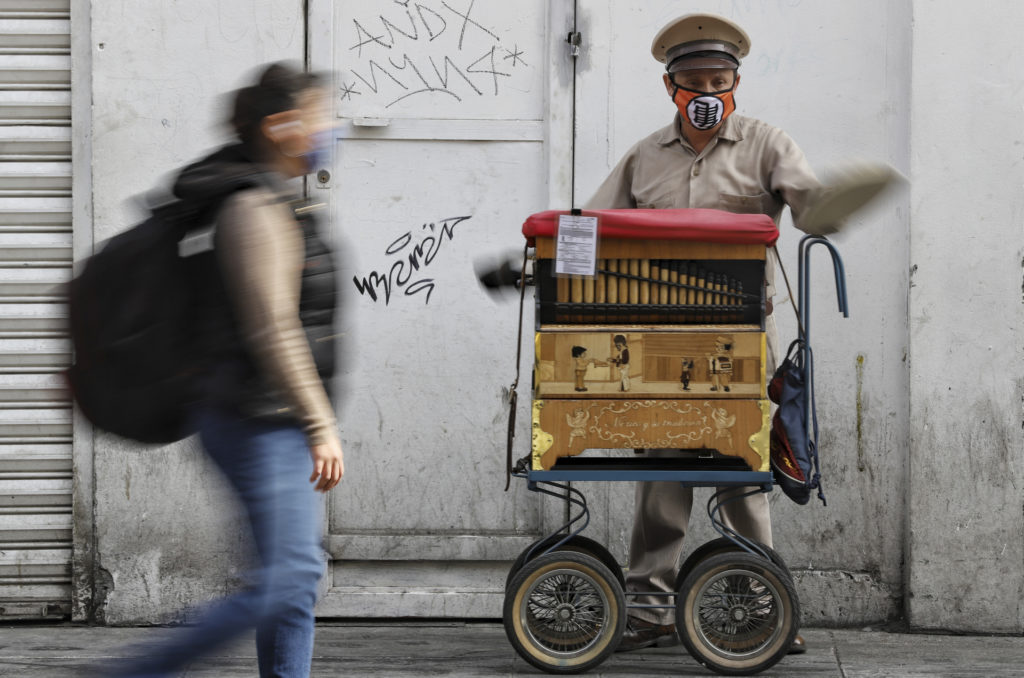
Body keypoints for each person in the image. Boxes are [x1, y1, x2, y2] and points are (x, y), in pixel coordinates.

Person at [583, 13, 822, 653]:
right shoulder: (644, 157)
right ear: (671, 89)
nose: (708, 92)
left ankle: (761, 609)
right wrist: (542, 261)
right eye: (694, 82)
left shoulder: (768, 144)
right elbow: (594, 226)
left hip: (740, 342)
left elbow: (812, 204)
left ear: (737, 84)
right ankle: (650, 608)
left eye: (720, 79)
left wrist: (826, 207)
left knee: (743, 471)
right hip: (658, 342)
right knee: (661, 475)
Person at [106, 63, 345, 677]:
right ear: (281, 126)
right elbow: (273, 328)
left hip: (268, 416)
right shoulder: (251, 207)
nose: (330, 127)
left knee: (292, 581)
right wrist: (320, 423)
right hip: (254, 419)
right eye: (320, 115)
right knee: (290, 577)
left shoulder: (276, 197)